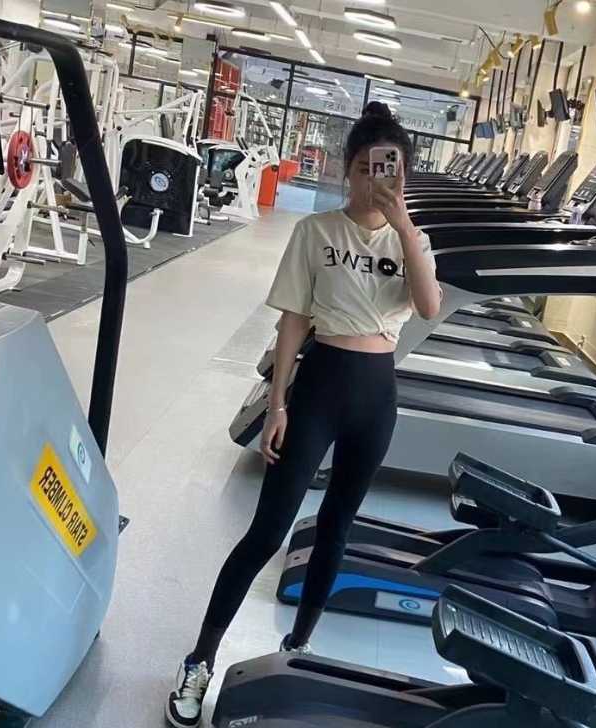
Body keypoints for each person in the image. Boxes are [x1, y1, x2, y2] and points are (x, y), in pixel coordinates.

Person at [165, 101, 442, 728]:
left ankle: (299, 649)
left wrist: (404, 226)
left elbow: (427, 307)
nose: (377, 181)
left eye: (390, 170)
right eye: (367, 168)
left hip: (376, 397)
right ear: (348, 170)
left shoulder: (413, 241)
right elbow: (292, 322)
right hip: (320, 387)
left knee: (337, 529)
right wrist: (277, 405)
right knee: (267, 532)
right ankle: (200, 658)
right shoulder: (315, 233)